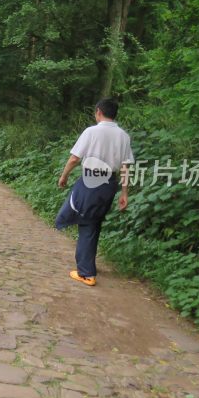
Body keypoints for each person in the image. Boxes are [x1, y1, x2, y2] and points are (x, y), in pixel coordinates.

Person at [55, 98, 134, 286]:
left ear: (98, 111)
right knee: (93, 221)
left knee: (85, 221)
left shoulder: (92, 131)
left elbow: (75, 158)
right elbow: (125, 167)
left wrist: (64, 176)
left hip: (91, 181)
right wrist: (124, 193)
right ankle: (88, 263)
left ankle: (86, 273)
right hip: (109, 183)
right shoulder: (123, 136)